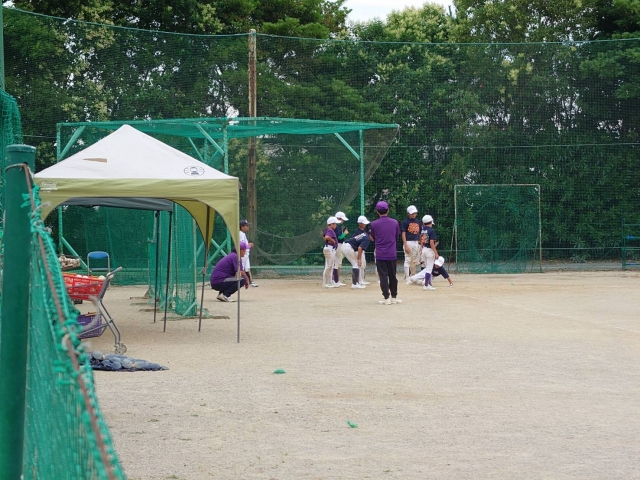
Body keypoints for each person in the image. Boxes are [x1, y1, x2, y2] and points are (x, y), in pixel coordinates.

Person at [369, 201, 402, 305]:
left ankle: (386, 298)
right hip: (392, 253)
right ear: (388, 210)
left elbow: (372, 237)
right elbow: (396, 236)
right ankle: (394, 297)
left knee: (383, 276)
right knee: (393, 275)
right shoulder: (395, 222)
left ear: (377, 211)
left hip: (380, 254)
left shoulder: (373, 224)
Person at [341, 215, 371, 289]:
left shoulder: (364, 234)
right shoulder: (367, 238)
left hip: (346, 246)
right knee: (356, 264)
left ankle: (357, 283)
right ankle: (355, 284)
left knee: (356, 264)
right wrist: (359, 259)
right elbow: (360, 248)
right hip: (348, 247)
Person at [418, 214, 439, 291]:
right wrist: (436, 253)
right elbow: (431, 243)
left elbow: (421, 240)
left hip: (424, 249)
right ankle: (426, 285)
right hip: (429, 250)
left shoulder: (422, 230)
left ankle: (429, 284)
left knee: (427, 268)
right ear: (431, 222)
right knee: (429, 269)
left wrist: (421, 248)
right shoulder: (431, 231)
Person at [401, 205, 421, 281]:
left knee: (414, 260)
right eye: (412, 213)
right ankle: (407, 277)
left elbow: (419, 233)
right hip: (408, 242)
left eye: (415, 213)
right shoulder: (405, 222)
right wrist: (405, 245)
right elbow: (403, 234)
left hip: (416, 242)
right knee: (408, 259)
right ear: (408, 213)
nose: (414, 215)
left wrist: (420, 243)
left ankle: (412, 276)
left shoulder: (418, 222)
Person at [323, 216, 341, 288]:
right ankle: (325, 283)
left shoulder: (328, 230)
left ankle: (330, 282)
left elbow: (324, 236)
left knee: (330, 266)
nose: (336, 225)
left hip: (331, 249)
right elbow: (326, 237)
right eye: (335, 224)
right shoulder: (330, 230)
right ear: (331, 224)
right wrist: (332, 241)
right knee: (328, 266)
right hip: (330, 249)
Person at [332, 211, 349, 286]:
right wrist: (345, 233)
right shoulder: (338, 226)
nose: (343, 221)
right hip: (338, 245)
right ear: (339, 218)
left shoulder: (335, 226)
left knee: (336, 262)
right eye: (342, 219)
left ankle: (335, 280)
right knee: (338, 262)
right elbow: (339, 237)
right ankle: (335, 281)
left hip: (336, 245)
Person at [239, 219, 258, 287]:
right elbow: (241, 245)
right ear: (242, 227)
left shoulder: (243, 234)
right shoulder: (240, 234)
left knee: (247, 268)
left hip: (246, 253)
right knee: (241, 268)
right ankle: (240, 281)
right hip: (243, 253)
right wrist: (249, 246)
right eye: (246, 226)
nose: (248, 227)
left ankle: (250, 281)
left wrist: (248, 245)